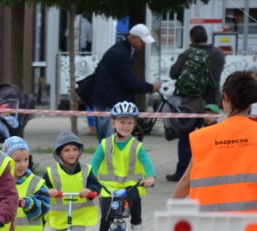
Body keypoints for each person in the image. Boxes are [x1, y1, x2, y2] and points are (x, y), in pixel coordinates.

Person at [172, 70, 257, 210]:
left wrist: (170, 211)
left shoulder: (202, 137)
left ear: (226, 97)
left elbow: (186, 181)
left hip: (208, 219)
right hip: (251, 220)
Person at [90, 101, 156, 231]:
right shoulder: (105, 144)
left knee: (135, 197)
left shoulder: (137, 146)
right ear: (113, 123)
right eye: (122, 122)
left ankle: (136, 223)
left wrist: (150, 177)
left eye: (129, 122)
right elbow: (94, 163)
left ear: (134, 124)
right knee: (106, 219)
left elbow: (146, 163)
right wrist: (90, 180)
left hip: (130, 185)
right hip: (108, 188)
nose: (125, 126)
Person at [165, 25, 226, 181]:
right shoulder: (218, 54)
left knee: (186, 139)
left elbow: (173, 73)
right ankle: (209, 171)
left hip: (189, 103)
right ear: (206, 37)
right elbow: (215, 78)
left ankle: (183, 173)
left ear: (192, 39)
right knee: (209, 138)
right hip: (210, 103)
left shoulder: (187, 54)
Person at [42, 131, 101, 231]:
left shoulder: (86, 170)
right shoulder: (51, 171)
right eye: (67, 150)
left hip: (79, 215)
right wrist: (48, 191)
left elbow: (96, 186)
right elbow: (41, 188)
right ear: (59, 153)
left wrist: (89, 190)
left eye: (75, 149)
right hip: (59, 216)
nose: (72, 153)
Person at [92, 24, 162, 141]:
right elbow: (130, 82)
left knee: (109, 143)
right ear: (133, 37)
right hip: (110, 105)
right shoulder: (121, 54)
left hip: (108, 102)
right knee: (111, 144)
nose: (143, 44)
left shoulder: (123, 50)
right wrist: (150, 87)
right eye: (142, 41)